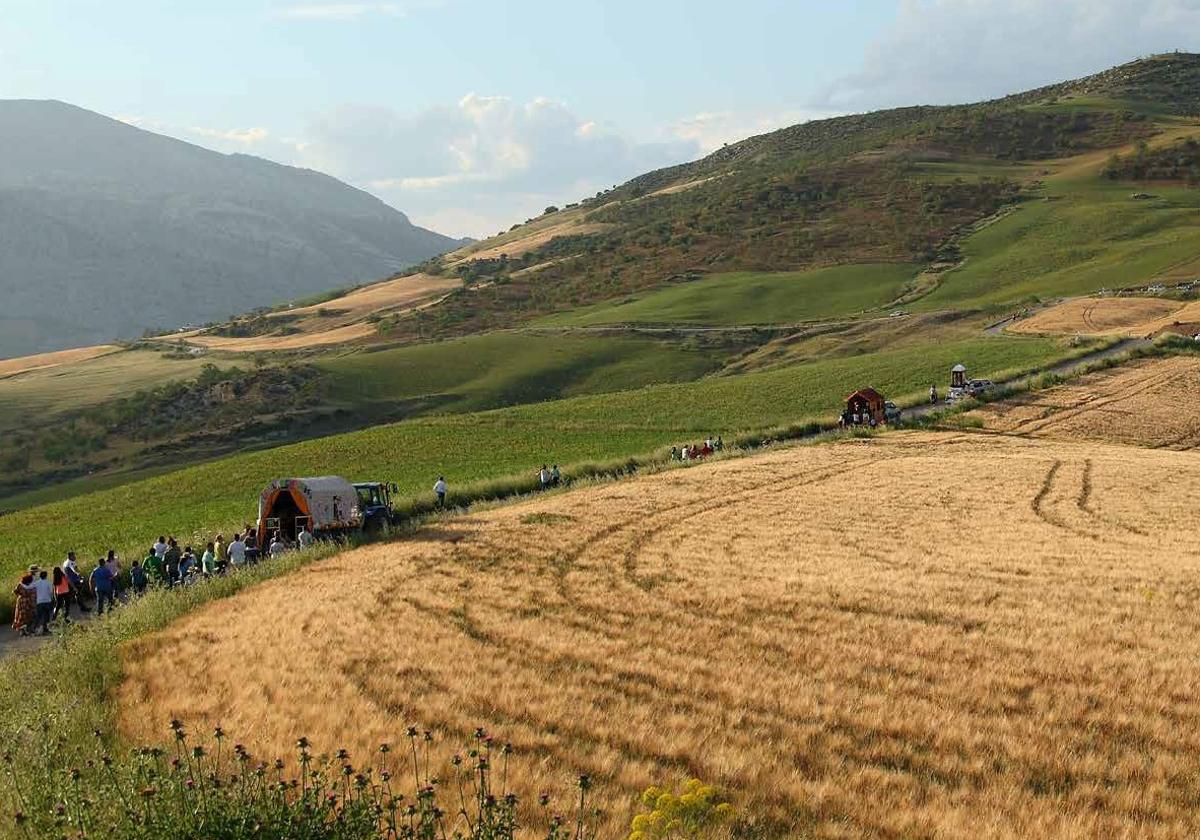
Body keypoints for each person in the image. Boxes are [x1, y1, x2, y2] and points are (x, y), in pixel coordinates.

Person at [12, 572, 36, 636]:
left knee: (20, 616)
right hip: (28, 602)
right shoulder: (32, 586)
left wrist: (19, 595)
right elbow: (34, 595)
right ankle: (27, 630)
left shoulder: (20, 585)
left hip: (21, 601)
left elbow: (14, 591)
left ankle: (22, 631)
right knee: (28, 616)